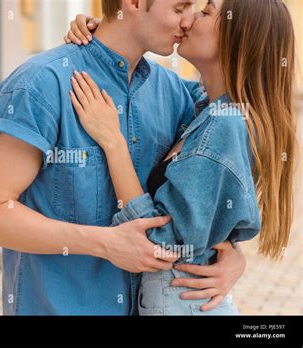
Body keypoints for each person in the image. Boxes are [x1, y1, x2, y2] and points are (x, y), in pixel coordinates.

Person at [0, 0, 248, 315]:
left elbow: (208, 188)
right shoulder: (41, 84)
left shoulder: (176, 96)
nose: (188, 20)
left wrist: (232, 255)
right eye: (179, 8)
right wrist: (104, 243)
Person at [65, 0, 297, 314]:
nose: (188, 20)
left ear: (237, 36)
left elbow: (163, 246)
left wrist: (112, 142)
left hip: (181, 302)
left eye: (205, 12)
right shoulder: (207, 107)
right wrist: (106, 32)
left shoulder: (224, 125)